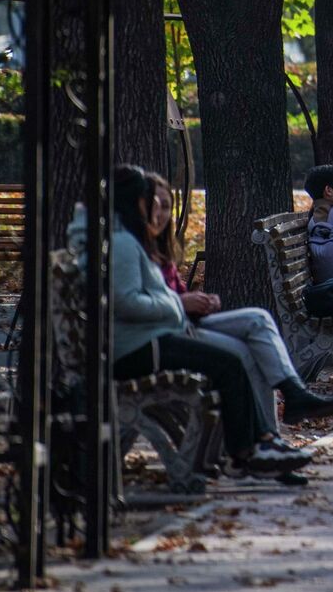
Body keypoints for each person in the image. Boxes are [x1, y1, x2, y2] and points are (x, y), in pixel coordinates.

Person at [102, 165, 312, 475]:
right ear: (135, 201)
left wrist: (184, 302)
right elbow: (126, 302)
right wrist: (179, 302)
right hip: (139, 346)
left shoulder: (128, 240)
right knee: (231, 360)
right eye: (152, 202)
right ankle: (248, 452)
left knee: (244, 341)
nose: (157, 211)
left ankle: (263, 442)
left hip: (150, 337)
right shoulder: (123, 243)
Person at [143, 172, 333, 439]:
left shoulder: (158, 247)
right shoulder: (133, 247)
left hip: (181, 321)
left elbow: (172, 292)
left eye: (166, 207)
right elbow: (136, 302)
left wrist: (197, 301)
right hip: (165, 334)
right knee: (248, 349)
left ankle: (282, 416)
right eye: (154, 207)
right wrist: (181, 301)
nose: (161, 215)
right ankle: (265, 436)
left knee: (258, 320)